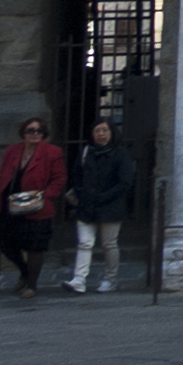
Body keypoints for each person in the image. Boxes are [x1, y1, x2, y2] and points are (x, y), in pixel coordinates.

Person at [0, 115, 67, 306]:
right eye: (30, 130)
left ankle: (31, 285)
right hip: (12, 203)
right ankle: (24, 272)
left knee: (35, 246)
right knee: (2, 239)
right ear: (23, 133)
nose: (35, 134)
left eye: (39, 131)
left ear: (44, 134)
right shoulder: (12, 151)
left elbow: (59, 179)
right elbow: (3, 173)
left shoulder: (52, 152)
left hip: (38, 205)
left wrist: (44, 195)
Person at [64, 117, 135, 294]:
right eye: (97, 131)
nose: (101, 134)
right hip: (87, 206)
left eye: (104, 130)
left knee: (109, 244)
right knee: (84, 243)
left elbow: (125, 182)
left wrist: (104, 196)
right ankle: (79, 279)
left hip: (111, 206)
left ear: (111, 132)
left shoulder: (120, 154)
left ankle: (111, 279)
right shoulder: (86, 153)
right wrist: (83, 194)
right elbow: (76, 176)